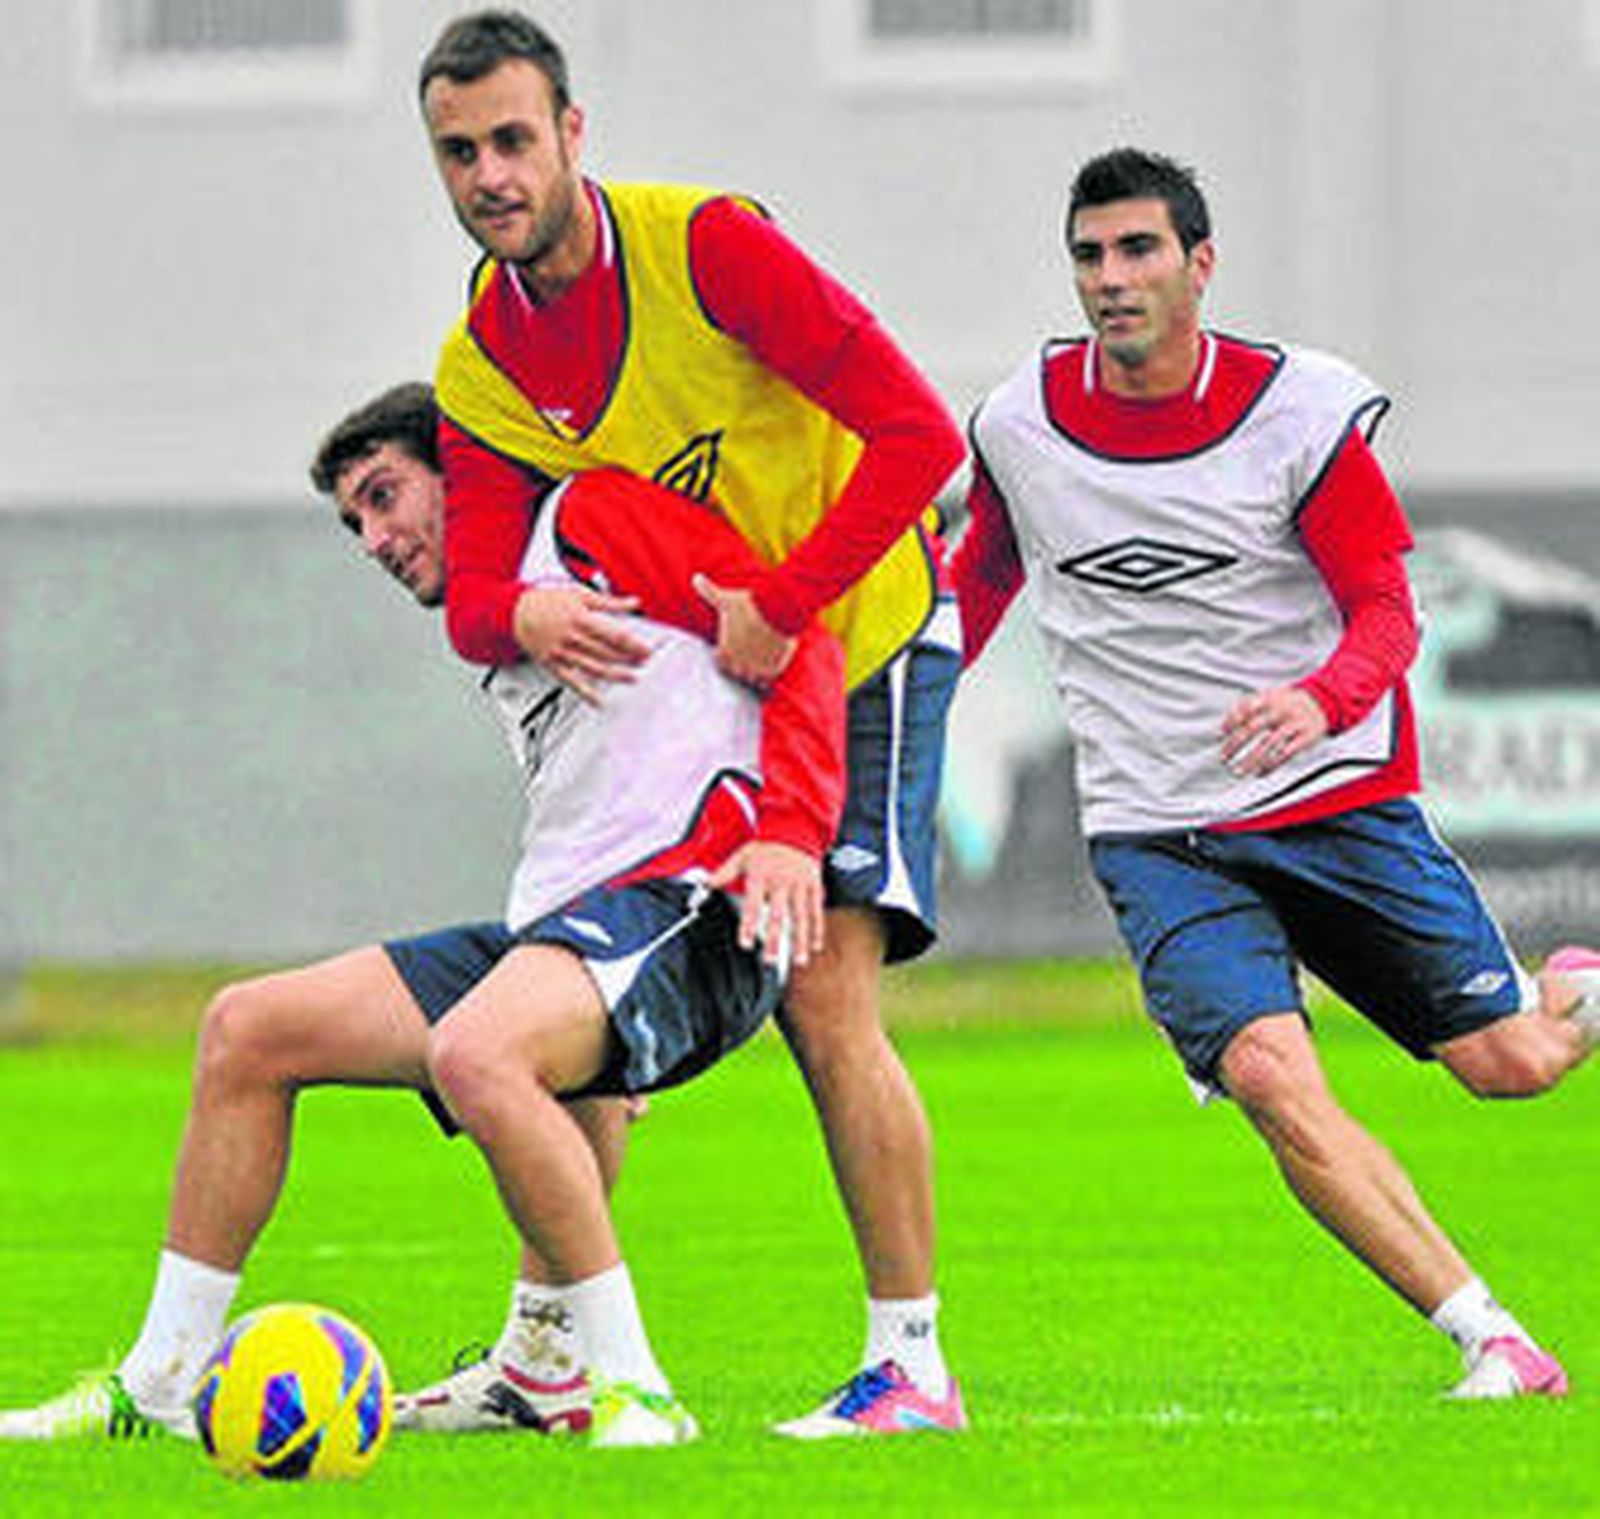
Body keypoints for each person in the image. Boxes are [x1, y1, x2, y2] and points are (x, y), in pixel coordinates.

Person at [0, 382, 847, 1447]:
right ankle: (162, 1379)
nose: (374, 539)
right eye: (353, 521)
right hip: (576, 926)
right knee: (245, 1030)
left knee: (479, 1050)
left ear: (466, 471)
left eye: (385, 495)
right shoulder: (496, 626)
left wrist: (792, 831)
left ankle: (636, 1390)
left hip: (693, 909)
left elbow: (797, 634)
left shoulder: (586, 518)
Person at [952, 146, 1600, 1400]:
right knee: (1263, 1072)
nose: (1110, 278)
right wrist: (888, 695)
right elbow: (973, 590)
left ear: (1199, 262)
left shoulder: (1296, 415)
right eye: (1088, 255)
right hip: (1154, 826)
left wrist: (1318, 699)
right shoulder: (1020, 425)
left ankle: (1573, 993)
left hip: (1333, 801)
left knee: (1509, 1065)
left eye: (1137, 250)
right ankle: (1493, 1339)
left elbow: (1387, 613)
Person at [409, 9, 969, 1437]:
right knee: (574, 981)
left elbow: (919, 435)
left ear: (572, 133)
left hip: (866, 633)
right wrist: (529, 614)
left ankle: (912, 1365)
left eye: (514, 139)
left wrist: (787, 595)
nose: (490, 175)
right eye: (459, 152)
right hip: (724, 675)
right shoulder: (481, 363)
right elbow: (474, 595)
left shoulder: (706, 246)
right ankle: (544, 1359)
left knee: (823, 998)